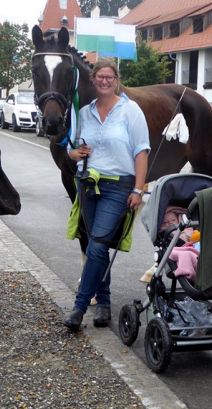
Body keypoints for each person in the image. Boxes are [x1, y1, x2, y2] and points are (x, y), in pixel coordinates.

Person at [63, 60, 150, 331]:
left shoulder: (130, 110)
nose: (104, 81)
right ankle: (103, 303)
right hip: (88, 184)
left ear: (116, 80)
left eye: (109, 77)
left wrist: (138, 188)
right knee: (94, 247)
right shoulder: (85, 112)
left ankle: (78, 308)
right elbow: (71, 148)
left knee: (99, 245)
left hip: (118, 186)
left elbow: (142, 151)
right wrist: (74, 154)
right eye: (100, 76)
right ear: (93, 79)